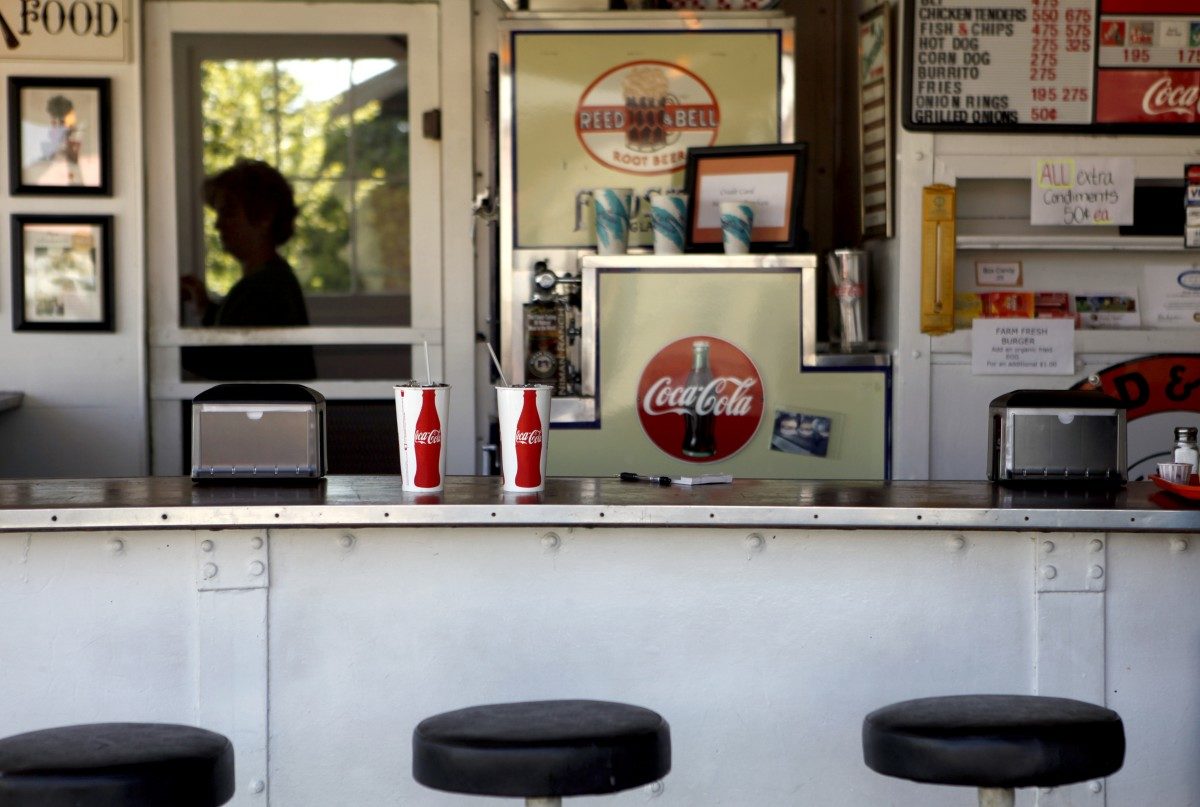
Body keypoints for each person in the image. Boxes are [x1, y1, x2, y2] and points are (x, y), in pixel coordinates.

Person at [181, 159, 316, 380]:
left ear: (264, 217)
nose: (218, 225)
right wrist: (205, 308)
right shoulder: (268, 280)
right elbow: (238, 340)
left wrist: (162, 344)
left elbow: (227, 361)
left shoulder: (267, 287)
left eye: (228, 213)